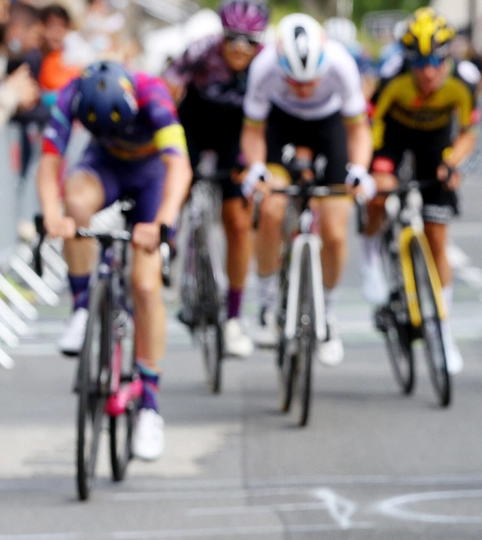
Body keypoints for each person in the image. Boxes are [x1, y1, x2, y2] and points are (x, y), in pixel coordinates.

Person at [37, 61, 192, 460]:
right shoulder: (72, 93)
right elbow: (50, 160)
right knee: (74, 203)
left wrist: (161, 224)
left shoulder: (154, 95)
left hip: (151, 176)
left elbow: (180, 165)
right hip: (102, 166)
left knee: (144, 284)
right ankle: (83, 307)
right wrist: (53, 215)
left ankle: (151, 406)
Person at [240, 13, 373, 366]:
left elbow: (359, 130)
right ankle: (267, 306)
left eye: (310, 80)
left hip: (330, 128)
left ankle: (327, 315)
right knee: (269, 208)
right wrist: (255, 169)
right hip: (281, 127)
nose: (303, 88)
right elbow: (253, 131)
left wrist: (359, 170)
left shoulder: (342, 65)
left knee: (335, 231)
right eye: (294, 82)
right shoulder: (263, 66)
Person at [363, 7, 480, 374]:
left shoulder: (464, 80)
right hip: (394, 137)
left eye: (436, 62)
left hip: (435, 143)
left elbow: (469, 133)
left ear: (448, 58)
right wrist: (371, 170)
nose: (428, 72)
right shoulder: (391, 76)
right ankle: (371, 258)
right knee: (380, 191)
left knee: (437, 237)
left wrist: (452, 164)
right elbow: (369, 125)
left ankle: (441, 330)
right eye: (419, 63)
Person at [162, 0, 270, 358]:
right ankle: (170, 243)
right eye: (233, 39)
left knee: (238, 221)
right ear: (222, 36)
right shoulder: (201, 51)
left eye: (249, 42)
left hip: (235, 135)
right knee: (177, 182)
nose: (241, 49)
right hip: (194, 122)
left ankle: (234, 316)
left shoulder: (268, 62)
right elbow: (168, 88)